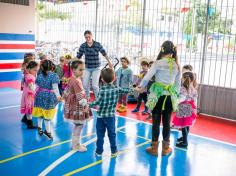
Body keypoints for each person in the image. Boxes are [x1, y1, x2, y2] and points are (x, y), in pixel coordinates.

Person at [136, 41, 181, 156]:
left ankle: (154, 148)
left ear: (162, 50)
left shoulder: (158, 63)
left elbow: (147, 77)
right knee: (167, 123)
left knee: (155, 122)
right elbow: (177, 85)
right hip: (170, 97)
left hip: (157, 96)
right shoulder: (176, 65)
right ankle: (166, 148)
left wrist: (141, 87)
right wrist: (176, 97)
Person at [89, 68, 131, 157]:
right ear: (114, 78)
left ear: (102, 79)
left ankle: (99, 151)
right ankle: (114, 151)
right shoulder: (116, 88)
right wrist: (135, 89)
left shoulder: (102, 90)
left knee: (100, 135)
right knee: (112, 134)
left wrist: (88, 105)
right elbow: (126, 90)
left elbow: (97, 102)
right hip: (111, 116)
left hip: (100, 116)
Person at [77, 30, 113, 99]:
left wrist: (109, 62)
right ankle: (87, 98)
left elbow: (104, 53)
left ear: (92, 36)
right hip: (87, 68)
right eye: (86, 37)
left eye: (89, 37)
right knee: (84, 85)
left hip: (96, 68)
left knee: (94, 86)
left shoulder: (97, 44)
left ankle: (98, 100)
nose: (87, 39)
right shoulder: (83, 46)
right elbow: (78, 56)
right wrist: (71, 61)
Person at [64, 60, 91, 152]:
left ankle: (76, 143)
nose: (82, 72)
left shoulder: (73, 79)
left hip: (73, 105)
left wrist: (64, 98)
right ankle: (76, 145)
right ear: (74, 70)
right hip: (77, 106)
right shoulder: (76, 81)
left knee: (78, 125)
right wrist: (85, 105)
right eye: (80, 70)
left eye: (83, 70)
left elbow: (67, 91)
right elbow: (79, 96)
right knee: (79, 125)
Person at [32, 60, 61, 140]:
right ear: (52, 67)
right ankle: (47, 132)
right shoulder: (54, 75)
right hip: (49, 97)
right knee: (47, 115)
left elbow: (36, 85)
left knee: (40, 112)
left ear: (42, 67)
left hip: (39, 95)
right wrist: (58, 96)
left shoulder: (39, 75)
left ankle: (39, 128)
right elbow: (55, 88)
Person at [172, 71, 198, 148]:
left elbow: (182, 98)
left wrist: (175, 103)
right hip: (190, 106)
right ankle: (184, 138)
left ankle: (185, 142)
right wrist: (195, 108)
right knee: (187, 125)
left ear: (183, 78)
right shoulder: (193, 88)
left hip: (184, 107)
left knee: (183, 125)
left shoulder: (183, 88)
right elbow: (195, 99)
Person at [20, 61, 38, 129]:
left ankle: (28, 121)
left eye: (36, 70)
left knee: (29, 109)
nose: (36, 72)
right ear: (30, 69)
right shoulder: (29, 76)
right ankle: (30, 124)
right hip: (29, 95)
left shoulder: (27, 74)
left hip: (27, 94)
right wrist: (36, 92)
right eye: (35, 70)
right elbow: (31, 85)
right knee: (29, 109)